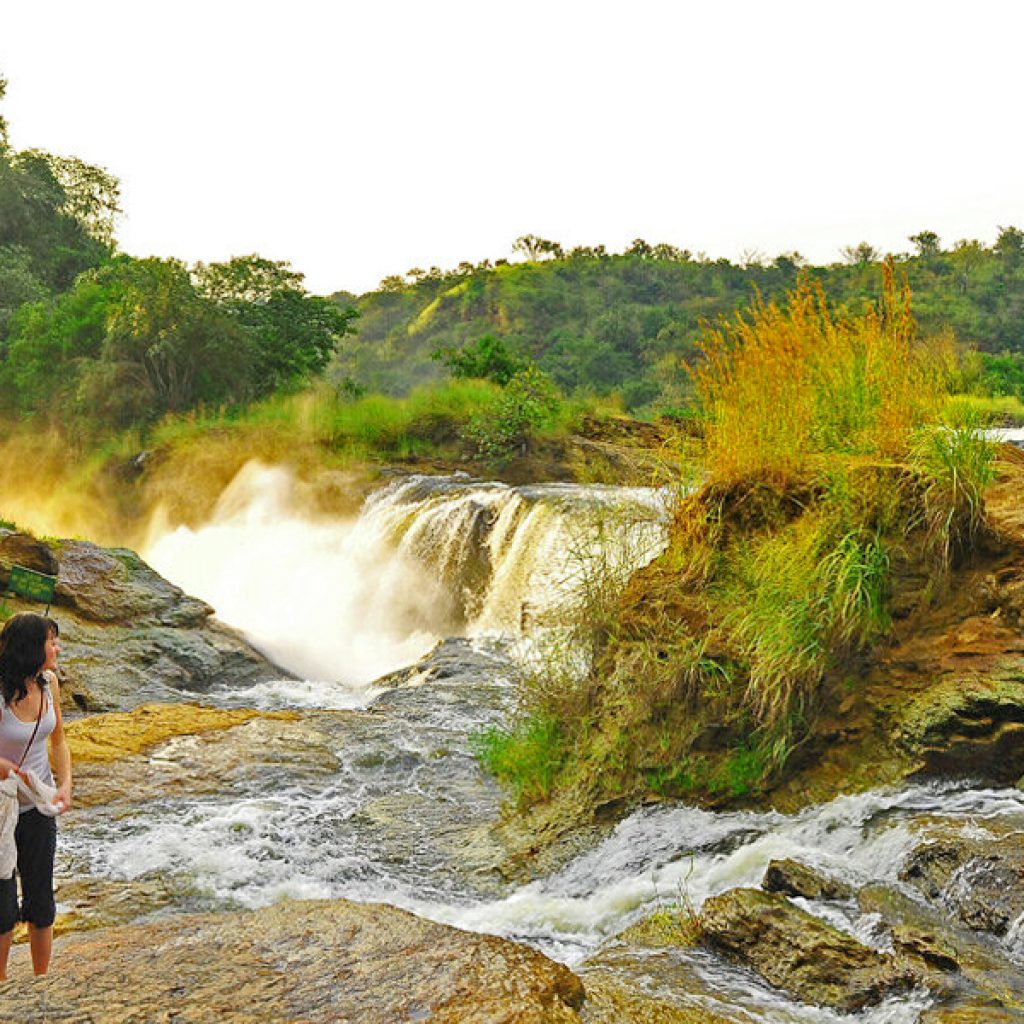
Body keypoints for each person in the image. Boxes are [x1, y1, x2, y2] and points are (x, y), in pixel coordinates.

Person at [0, 612, 72, 978]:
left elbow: (58, 740)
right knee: (2, 906)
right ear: (31, 646)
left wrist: (65, 783)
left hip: (38, 805)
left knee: (41, 899)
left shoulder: (49, 683)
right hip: (1, 808)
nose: (57, 647)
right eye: (51, 641)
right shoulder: (0, 690)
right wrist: (8, 769)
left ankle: (41, 984)